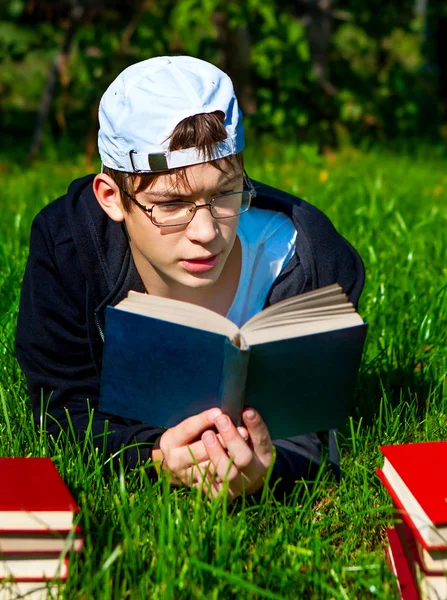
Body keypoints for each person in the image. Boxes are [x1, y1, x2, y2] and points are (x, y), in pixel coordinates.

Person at [16, 56, 364, 500]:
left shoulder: (308, 259)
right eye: (170, 205)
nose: (206, 232)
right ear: (111, 198)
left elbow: (315, 426)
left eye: (224, 193)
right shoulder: (69, 249)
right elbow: (63, 409)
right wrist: (152, 458)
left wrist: (271, 468)